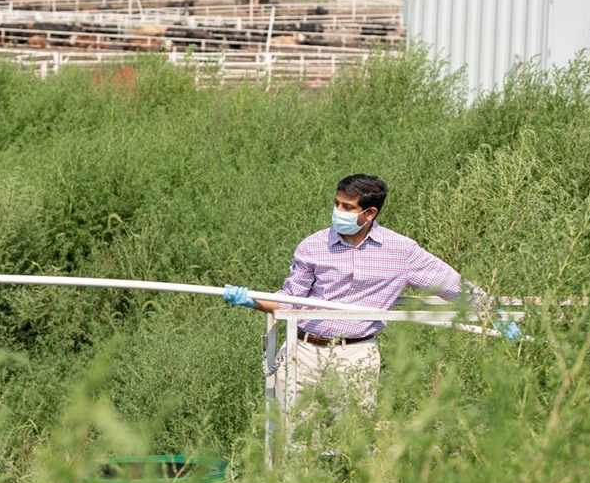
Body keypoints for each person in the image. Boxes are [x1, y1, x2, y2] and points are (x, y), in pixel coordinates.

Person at [223, 174, 520, 418]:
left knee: (353, 436)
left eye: (348, 207)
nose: (339, 211)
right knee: (295, 437)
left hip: (356, 354)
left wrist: (495, 314)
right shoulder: (313, 246)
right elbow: (291, 301)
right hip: (305, 351)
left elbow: (455, 286)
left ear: (370, 213)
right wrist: (252, 300)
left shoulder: (401, 252)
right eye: (337, 204)